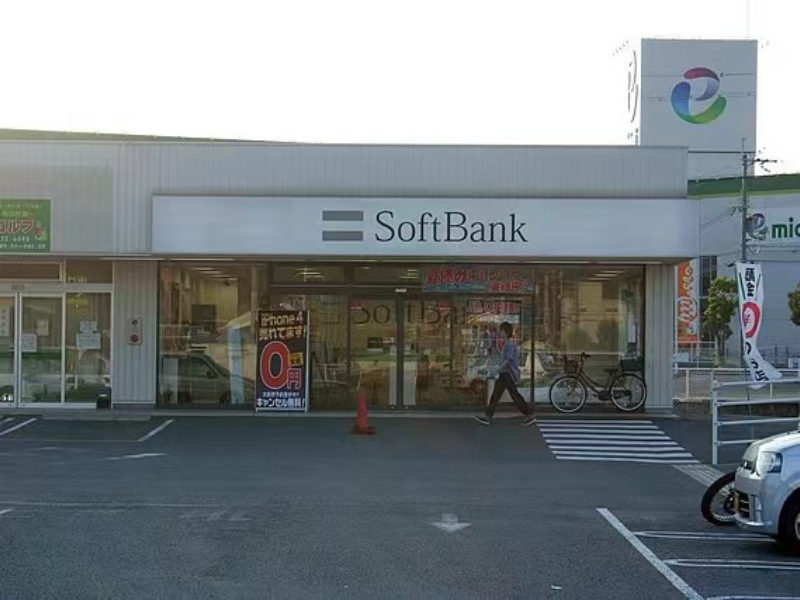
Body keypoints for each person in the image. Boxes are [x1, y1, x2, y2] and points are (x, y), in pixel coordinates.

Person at [474, 322, 536, 426]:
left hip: (508, 374)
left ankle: (529, 415)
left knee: (514, 396)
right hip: (505, 374)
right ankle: (487, 416)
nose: (500, 332)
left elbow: (508, 360)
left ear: (506, 332)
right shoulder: (507, 344)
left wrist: (497, 369)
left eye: (501, 330)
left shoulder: (510, 345)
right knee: (496, 395)